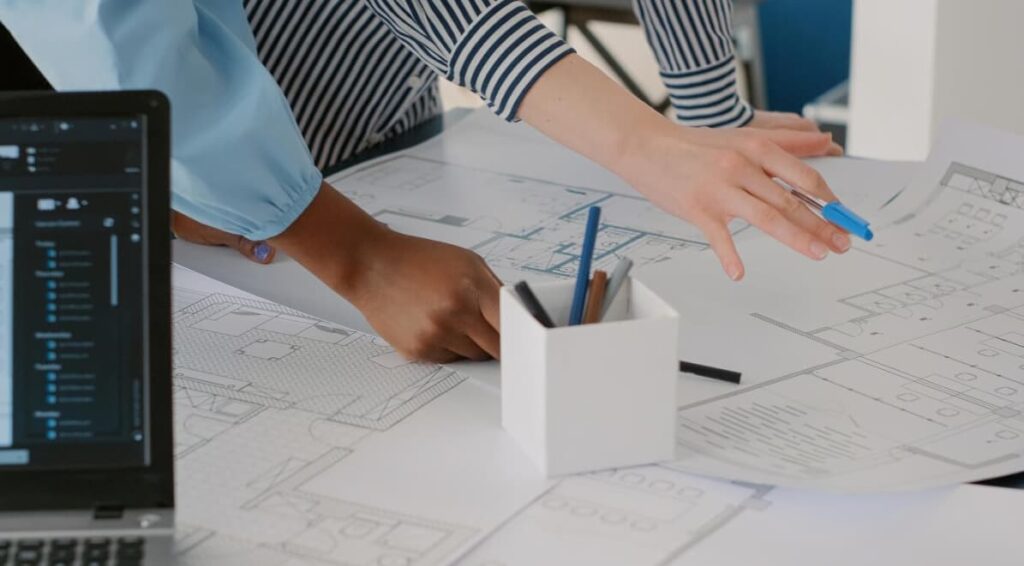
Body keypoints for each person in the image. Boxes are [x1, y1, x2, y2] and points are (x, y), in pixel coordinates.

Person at [0, 0, 849, 363]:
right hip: (166, 142)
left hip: (385, 125)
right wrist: (353, 251)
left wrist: (702, 118)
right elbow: (111, 35)